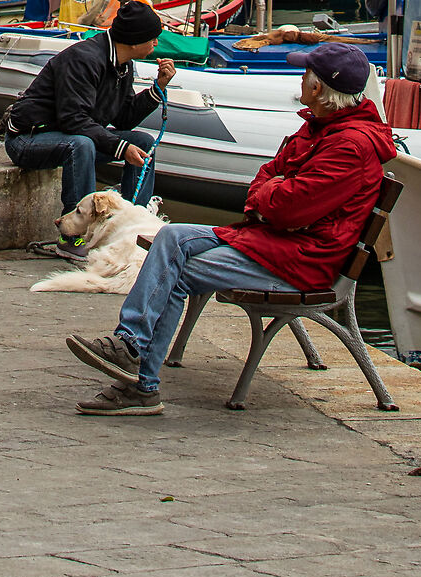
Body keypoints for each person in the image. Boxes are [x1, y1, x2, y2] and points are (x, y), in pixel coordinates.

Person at [66, 41, 394, 414]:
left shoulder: (349, 145)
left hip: (298, 262)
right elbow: (269, 178)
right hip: (275, 243)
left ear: (318, 88)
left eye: (305, 74)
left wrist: (268, 193)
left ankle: (140, 379)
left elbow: (285, 207)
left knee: (174, 271)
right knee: (170, 237)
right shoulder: (322, 128)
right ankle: (131, 348)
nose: (300, 79)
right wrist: (270, 192)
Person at [3, 0, 174, 231]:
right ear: (134, 42)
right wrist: (120, 148)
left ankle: (133, 226)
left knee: (143, 142)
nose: (156, 42)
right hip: (28, 138)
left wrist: (158, 89)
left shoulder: (123, 65)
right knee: (81, 144)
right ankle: (73, 234)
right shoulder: (84, 59)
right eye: (152, 37)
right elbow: (73, 119)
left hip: (68, 135)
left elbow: (124, 118)